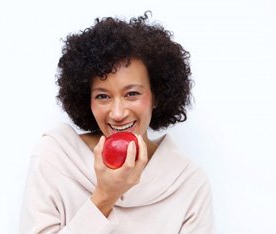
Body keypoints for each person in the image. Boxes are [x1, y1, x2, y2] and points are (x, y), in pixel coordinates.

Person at [20, 11, 215, 234]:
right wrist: (105, 196)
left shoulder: (188, 183)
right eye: (103, 96)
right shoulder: (55, 157)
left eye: (132, 94)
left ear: (156, 95)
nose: (118, 113)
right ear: (87, 99)